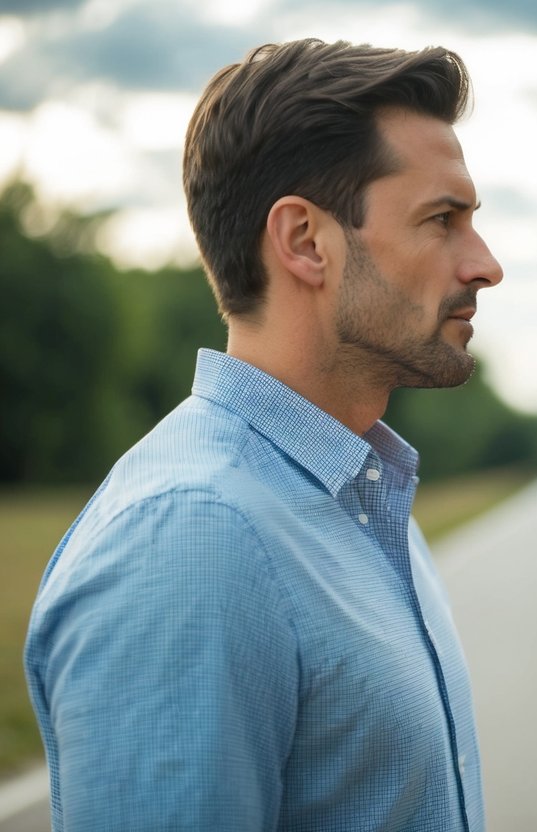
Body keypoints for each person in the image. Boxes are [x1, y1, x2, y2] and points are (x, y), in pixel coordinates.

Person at [25, 38, 502, 831]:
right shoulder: (192, 538)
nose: (484, 264)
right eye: (441, 220)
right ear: (305, 241)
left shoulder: (358, 499)